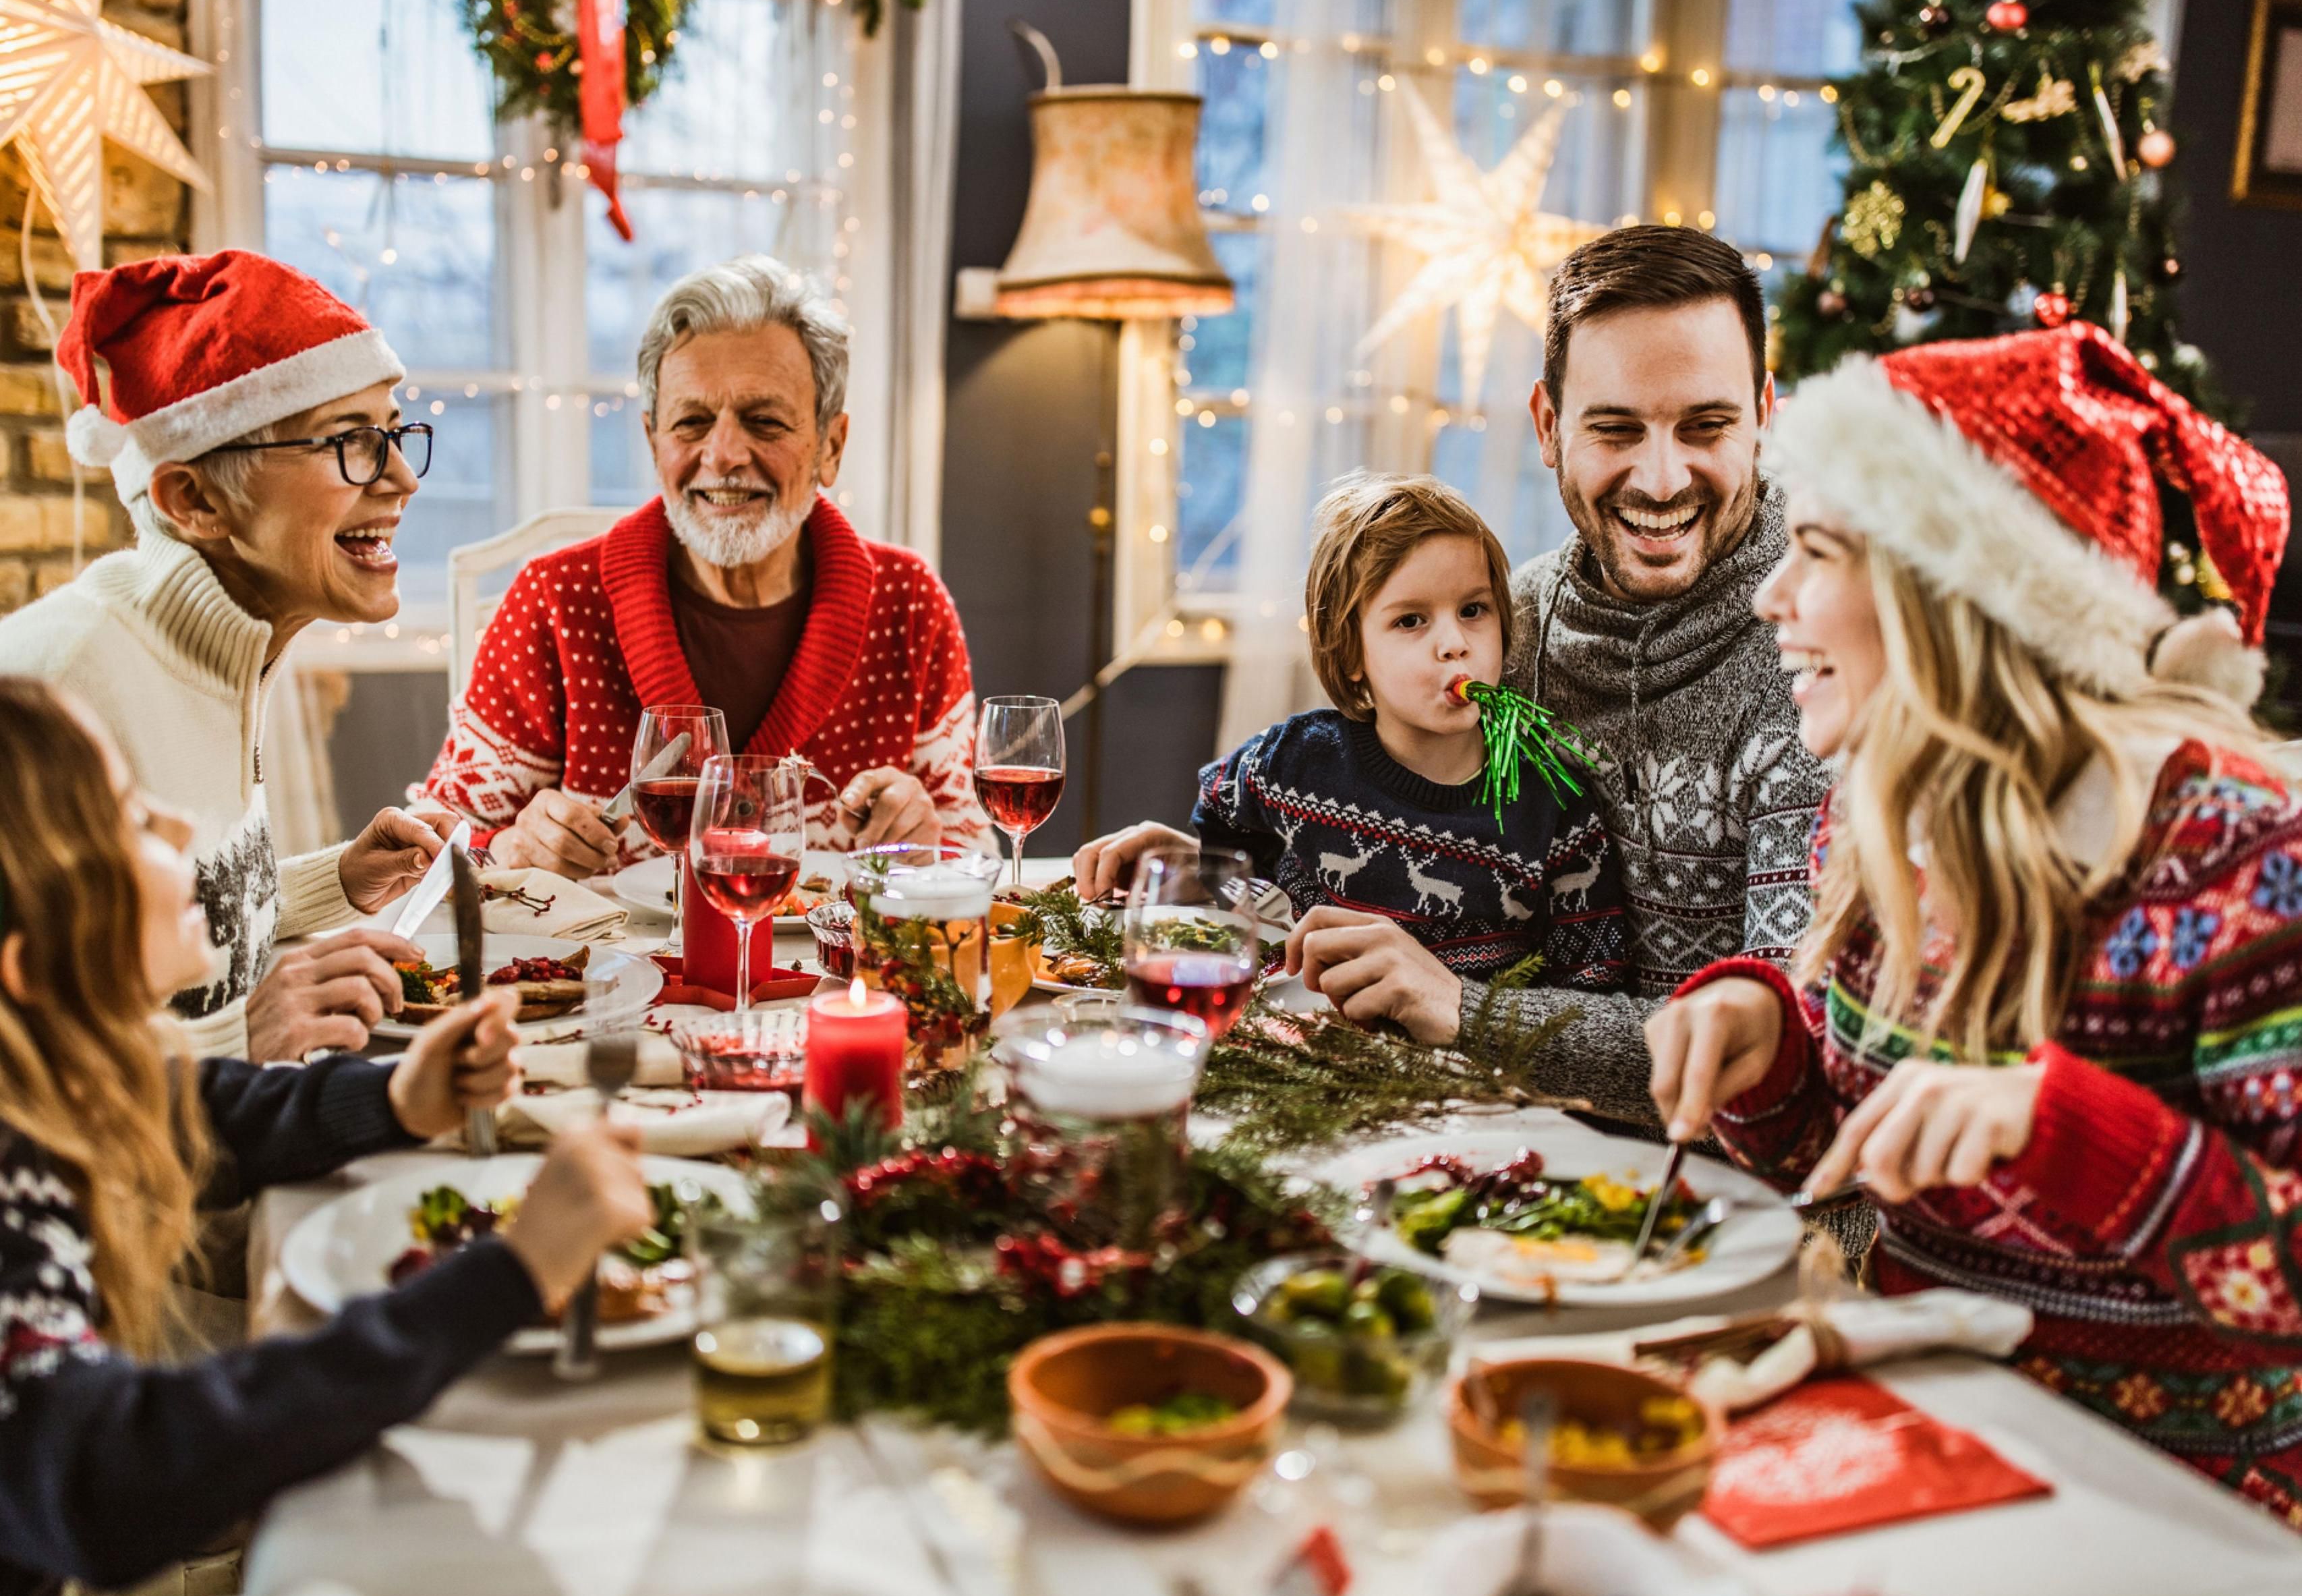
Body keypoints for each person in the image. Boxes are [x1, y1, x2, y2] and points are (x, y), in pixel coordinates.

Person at [1646, 323, 2302, 1524]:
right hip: (1922, 1438)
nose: (1768, 598)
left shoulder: (2242, 860)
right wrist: (1766, 1042)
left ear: (1960, 601)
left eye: (1816, 553)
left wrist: (2060, 1126)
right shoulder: (1883, 811)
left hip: (2176, 1510)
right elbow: (1839, 1170)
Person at [1088, 229, 1829, 1122]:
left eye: (1706, 426)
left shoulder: (1827, 667)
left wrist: (1466, 1012)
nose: (1661, 478)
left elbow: (1797, 1060)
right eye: (1615, 428)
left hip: (1735, 1202)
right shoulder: (1506, 628)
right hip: (1477, 1137)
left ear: (1765, 417)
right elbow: (1389, 853)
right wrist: (1220, 883)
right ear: (1549, 428)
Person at [0, 677, 655, 1596]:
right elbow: (107, 1479)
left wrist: (397, 1097)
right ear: (28, 963)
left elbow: (197, 1112)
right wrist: (510, 1272)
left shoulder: (44, 1084)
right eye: (129, 818)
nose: (181, 828)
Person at [0, 252, 461, 1062]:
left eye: (392, 433)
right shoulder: (52, 688)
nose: (400, 478)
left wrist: (336, 882)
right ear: (196, 501)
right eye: (352, 441)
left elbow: (157, 945)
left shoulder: (232, 647)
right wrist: (234, 1037)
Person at [421, 255, 991, 878]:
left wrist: (931, 839)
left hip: (833, 975)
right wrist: (502, 849)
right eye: (691, 422)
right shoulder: (556, 599)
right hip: (611, 974)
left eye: (764, 421)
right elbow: (432, 850)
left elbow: (972, 856)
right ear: (652, 440)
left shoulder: (908, 602)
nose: (722, 455)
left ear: (831, 446)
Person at [1081, 476, 1625, 993]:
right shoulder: (1289, 763)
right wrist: (1191, 866)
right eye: (1410, 620)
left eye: (1472, 610)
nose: (1454, 643)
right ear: (1350, 654)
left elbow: (1588, 985)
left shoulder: (1556, 812)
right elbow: (1243, 876)